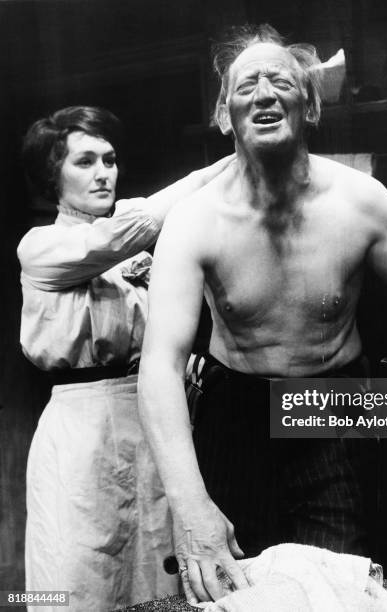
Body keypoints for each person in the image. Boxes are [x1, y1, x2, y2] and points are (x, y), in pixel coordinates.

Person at [138, 24, 387, 605]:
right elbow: (160, 364)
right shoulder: (194, 221)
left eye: (280, 80)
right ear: (224, 116)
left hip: (331, 404)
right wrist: (188, 503)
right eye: (246, 86)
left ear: (309, 104)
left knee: (340, 587)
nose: (264, 93)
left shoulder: (360, 199)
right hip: (234, 407)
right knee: (228, 589)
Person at [18, 105, 232, 611]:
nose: (102, 173)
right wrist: (224, 166)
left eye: (109, 160)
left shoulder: (140, 258)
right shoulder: (42, 247)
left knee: (156, 574)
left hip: (152, 422)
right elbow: (121, 233)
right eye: (85, 161)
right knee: (75, 575)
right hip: (82, 430)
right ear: (54, 175)